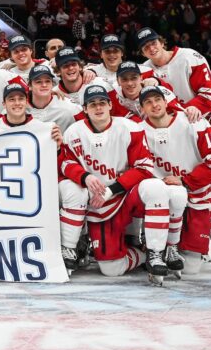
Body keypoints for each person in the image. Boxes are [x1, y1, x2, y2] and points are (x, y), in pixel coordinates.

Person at [137, 27, 211, 260]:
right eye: (145, 46)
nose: (151, 48)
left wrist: (195, 108)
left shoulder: (190, 57)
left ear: (162, 40)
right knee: (198, 185)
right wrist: (182, 115)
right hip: (186, 128)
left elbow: (208, 92)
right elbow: (158, 100)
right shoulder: (145, 71)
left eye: (153, 42)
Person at [58, 85, 172, 279]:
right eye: (92, 104)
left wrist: (111, 190)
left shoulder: (129, 128)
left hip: (125, 195)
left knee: (155, 187)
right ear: (85, 109)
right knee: (111, 269)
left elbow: (144, 167)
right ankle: (143, 254)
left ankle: (156, 253)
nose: (98, 107)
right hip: (98, 205)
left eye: (102, 103)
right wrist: (85, 177)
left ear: (110, 105)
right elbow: (65, 164)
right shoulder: (73, 132)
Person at [139, 86, 211, 274]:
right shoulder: (138, 131)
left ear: (166, 101)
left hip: (195, 197)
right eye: (148, 102)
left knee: (191, 268)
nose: (154, 105)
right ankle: (161, 249)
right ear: (142, 108)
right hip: (164, 201)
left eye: (157, 100)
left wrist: (185, 181)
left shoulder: (194, 122)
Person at [25, 65, 84, 133]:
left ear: (52, 84)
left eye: (47, 81)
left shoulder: (68, 107)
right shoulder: (21, 108)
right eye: (38, 82)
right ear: (29, 85)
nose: (44, 85)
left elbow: (86, 128)